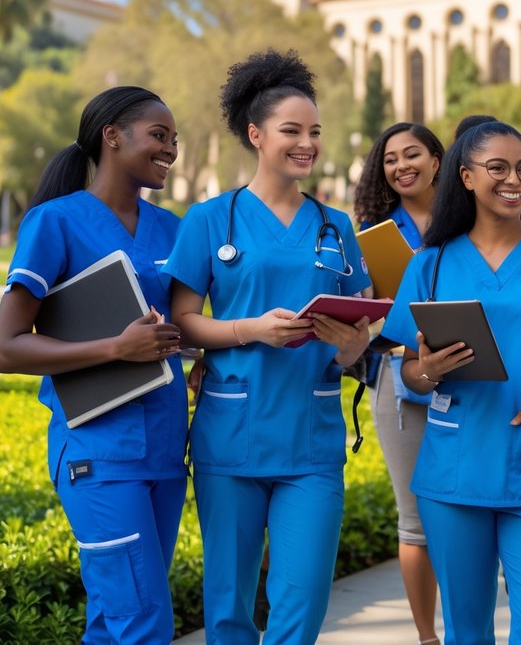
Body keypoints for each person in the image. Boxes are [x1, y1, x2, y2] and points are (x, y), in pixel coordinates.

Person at [164, 49, 372, 645]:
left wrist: (351, 346)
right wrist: (249, 329)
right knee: (228, 602)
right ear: (256, 135)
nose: (306, 143)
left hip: (311, 441)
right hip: (230, 437)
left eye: (314, 132)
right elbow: (182, 322)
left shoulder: (336, 228)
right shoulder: (209, 220)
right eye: (292, 131)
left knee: (302, 598)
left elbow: (361, 331)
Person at [381, 120, 521, 645]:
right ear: (467, 177)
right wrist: (428, 370)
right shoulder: (429, 265)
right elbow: (410, 371)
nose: (514, 179)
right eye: (497, 168)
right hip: (453, 474)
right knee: (466, 632)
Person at [0, 86, 188, 644]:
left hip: (167, 451)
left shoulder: (172, 229)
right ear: (111, 135)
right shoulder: (54, 222)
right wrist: (114, 349)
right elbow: (7, 348)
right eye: (158, 136)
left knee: (114, 619)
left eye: (175, 140)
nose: (170, 150)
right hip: (99, 456)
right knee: (144, 623)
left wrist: (189, 350)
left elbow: (172, 326)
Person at [353, 121, 446, 645]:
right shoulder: (372, 232)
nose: (401, 165)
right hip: (398, 374)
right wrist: (375, 305)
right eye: (390, 159)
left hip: (466, 373)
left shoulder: (467, 221)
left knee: (466, 508)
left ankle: (464, 625)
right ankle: (427, 637)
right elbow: (363, 313)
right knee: (414, 520)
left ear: (438, 160)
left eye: (412, 154)